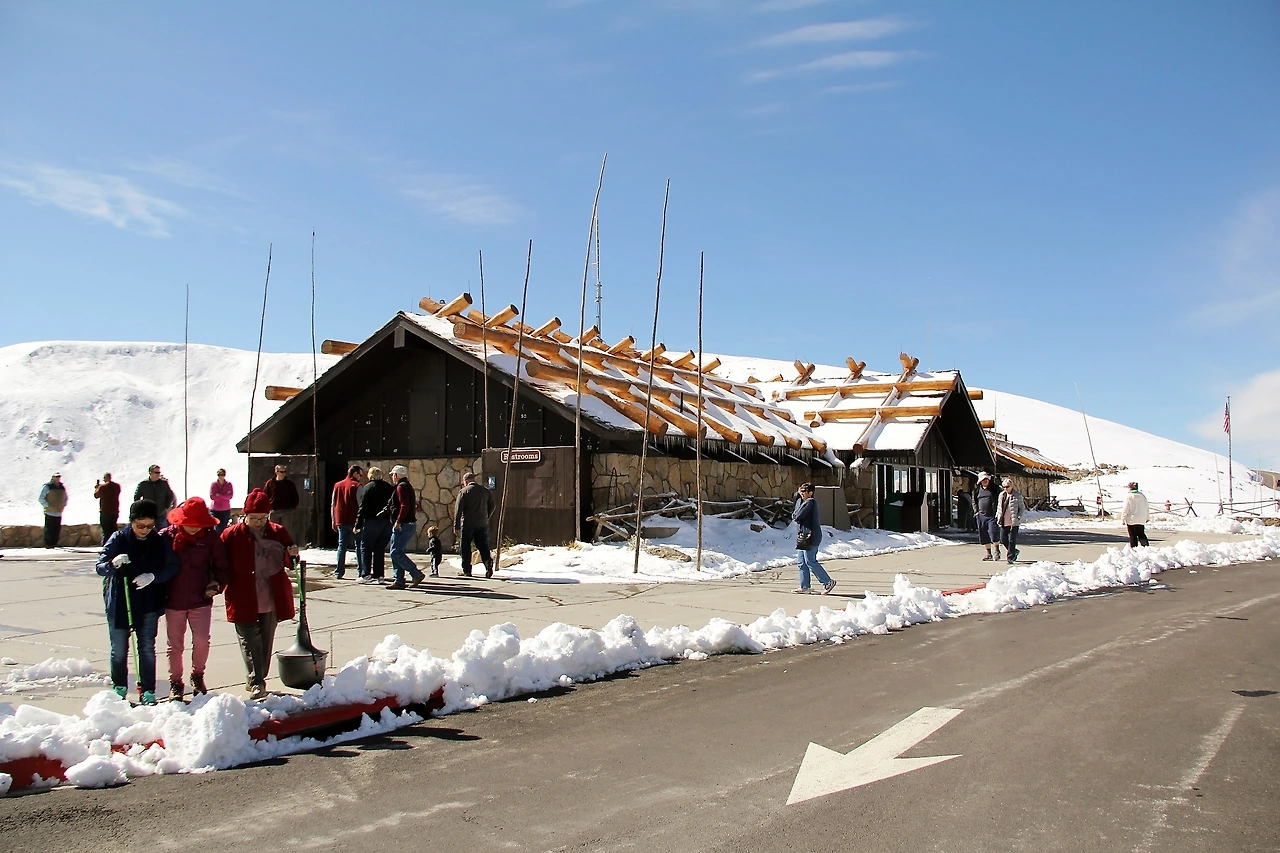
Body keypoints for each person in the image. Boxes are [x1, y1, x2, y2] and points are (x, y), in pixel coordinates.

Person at [95, 499, 180, 704]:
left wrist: (154, 577)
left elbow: (173, 566)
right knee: (119, 649)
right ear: (131, 521)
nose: (144, 530)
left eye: (149, 526)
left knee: (146, 648)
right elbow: (100, 567)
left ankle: (148, 689)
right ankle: (119, 687)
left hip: (148, 602)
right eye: (140, 525)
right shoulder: (119, 538)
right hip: (121, 601)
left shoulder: (158, 541)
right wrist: (113, 564)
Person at [221, 488, 297, 700]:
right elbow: (219, 563)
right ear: (244, 515)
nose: (257, 522)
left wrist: (292, 554)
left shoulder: (278, 532)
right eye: (253, 518)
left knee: (265, 640)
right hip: (242, 595)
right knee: (250, 640)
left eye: (262, 518)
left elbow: (291, 561)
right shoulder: (231, 535)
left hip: (270, 596)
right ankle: (257, 682)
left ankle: (257, 677)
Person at [160, 497, 230, 701]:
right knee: (175, 645)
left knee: (201, 641)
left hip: (201, 599)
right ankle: (175, 682)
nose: (193, 528)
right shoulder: (166, 537)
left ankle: (197, 675)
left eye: (197, 524)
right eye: (188, 523)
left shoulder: (211, 539)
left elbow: (221, 567)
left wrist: (216, 585)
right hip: (173, 600)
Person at [791, 483, 836, 594]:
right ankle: (804, 586)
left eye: (804, 491)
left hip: (811, 536)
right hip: (803, 535)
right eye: (801, 491)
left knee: (810, 561)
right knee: (801, 562)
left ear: (810, 493)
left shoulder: (810, 502)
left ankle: (828, 582)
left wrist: (796, 514)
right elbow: (795, 515)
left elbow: (797, 516)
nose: (801, 493)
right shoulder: (803, 502)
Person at [387, 465, 424, 590]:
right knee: (397, 552)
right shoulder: (407, 486)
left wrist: (398, 520)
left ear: (396, 475)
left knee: (395, 552)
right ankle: (399, 580)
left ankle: (415, 573)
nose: (392, 477)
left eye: (393, 475)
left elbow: (404, 505)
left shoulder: (401, 487)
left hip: (403, 524)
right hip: (407, 523)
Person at [355, 466, 393, 583]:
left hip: (371, 521)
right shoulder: (389, 487)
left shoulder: (367, 488)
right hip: (386, 522)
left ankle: (366, 574)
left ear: (370, 475)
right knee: (379, 548)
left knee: (365, 547)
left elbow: (363, 508)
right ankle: (379, 575)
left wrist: (358, 524)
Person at [453, 471, 495, 578]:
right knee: (483, 545)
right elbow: (492, 506)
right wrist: (486, 516)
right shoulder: (485, 491)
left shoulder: (463, 492)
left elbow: (458, 510)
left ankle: (467, 570)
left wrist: (456, 526)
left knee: (465, 547)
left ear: (466, 481)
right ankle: (488, 563)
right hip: (482, 523)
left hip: (468, 523)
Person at [330, 465, 364, 579]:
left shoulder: (337, 485)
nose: (360, 477)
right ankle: (361, 571)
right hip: (355, 521)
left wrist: (333, 519)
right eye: (360, 474)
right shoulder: (357, 486)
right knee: (359, 546)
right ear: (354, 474)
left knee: (341, 546)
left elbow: (333, 503)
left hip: (341, 520)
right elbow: (361, 504)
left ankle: (339, 571)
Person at [135, 465, 177, 530]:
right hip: (148, 514)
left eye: (159, 472)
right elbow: (137, 497)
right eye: (156, 473)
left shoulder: (163, 483)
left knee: (163, 531)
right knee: (149, 531)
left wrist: (166, 506)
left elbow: (170, 495)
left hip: (161, 513)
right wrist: (141, 508)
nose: (158, 474)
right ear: (150, 473)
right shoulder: (143, 484)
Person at [263, 464, 301, 536]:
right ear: (276, 472)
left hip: (286, 511)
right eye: (281, 472)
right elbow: (265, 496)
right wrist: (268, 507)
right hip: (274, 511)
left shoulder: (289, 484)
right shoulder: (270, 483)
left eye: (284, 472)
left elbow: (295, 496)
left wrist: (292, 507)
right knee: (272, 531)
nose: (283, 474)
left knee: (285, 531)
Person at [973, 472, 1002, 561]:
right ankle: (988, 553)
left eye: (986, 479)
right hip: (981, 516)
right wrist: (976, 511)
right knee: (984, 535)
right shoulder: (977, 490)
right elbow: (974, 501)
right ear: (980, 481)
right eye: (983, 480)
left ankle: (997, 550)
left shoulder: (994, 488)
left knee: (993, 533)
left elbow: (1001, 498)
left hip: (992, 515)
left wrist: (999, 512)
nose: (985, 481)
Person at [996, 478, 1025, 564]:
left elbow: (1022, 508)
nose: (1006, 488)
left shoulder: (1017, 495)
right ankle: (1014, 551)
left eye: (1007, 487)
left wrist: (1018, 517)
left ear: (1011, 486)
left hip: (1013, 521)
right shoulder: (1002, 495)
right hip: (1004, 521)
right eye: (1004, 487)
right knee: (1003, 539)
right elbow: (999, 507)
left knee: (1012, 540)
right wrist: (998, 516)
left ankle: (1010, 557)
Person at [38, 473, 67, 548]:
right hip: (50, 511)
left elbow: (65, 497)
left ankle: (55, 543)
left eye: (59, 477)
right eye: (56, 477)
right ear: (53, 477)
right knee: (49, 528)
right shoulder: (47, 486)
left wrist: (63, 505)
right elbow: (41, 498)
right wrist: (47, 506)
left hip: (59, 511)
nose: (58, 478)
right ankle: (48, 544)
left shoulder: (62, 487)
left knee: (57, 528)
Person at [94, 473, 122, 546]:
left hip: (105, 511)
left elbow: (96, 495)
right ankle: (116, 544)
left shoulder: (102, 487)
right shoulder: (117, 486)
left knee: (106, 531)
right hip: (115, 511)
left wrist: (97, 488)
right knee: (113, 529)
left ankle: (106, 546)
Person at [1121, 481, 1150, 547]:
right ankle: (1146, 547)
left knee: (1133, 535)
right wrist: (1147, 517)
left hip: (1132, 519)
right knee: (1141, 534)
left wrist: (1123, 519)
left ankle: (1134, 549)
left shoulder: (1129, 497)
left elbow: (1125, 509)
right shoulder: (1142, 496)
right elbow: (1147, 507)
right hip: (1141, 518)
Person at [209, 468, 235, 533]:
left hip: (225, 509)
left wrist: (219, 495)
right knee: (217, 527)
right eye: (219, 475)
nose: (221, 476)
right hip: (215, 509)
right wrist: (224, 495)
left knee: (224, 527)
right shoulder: (214, 484)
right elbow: (212, 496)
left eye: (222, 475)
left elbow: (230, 496)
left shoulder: (228, 484)